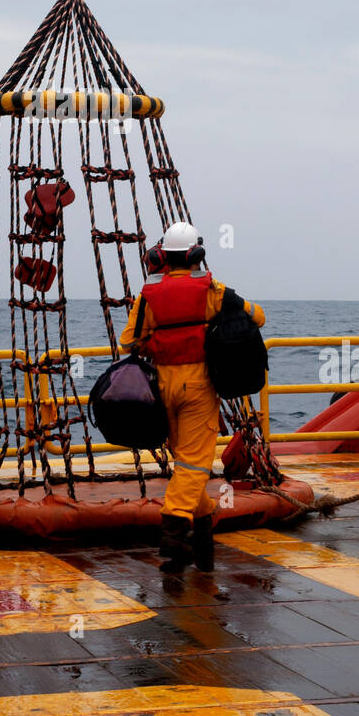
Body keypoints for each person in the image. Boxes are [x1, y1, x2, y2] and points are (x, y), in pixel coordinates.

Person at [120, 221, 265, 574]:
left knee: (184, 461)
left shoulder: (147, 295)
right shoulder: (212, 291)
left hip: (164, 386)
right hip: (200, 385)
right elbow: (257, 316)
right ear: (195, 254)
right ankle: (172, 528)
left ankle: (202, 531)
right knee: (197, 463)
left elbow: (129, 341)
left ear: (161, 256)